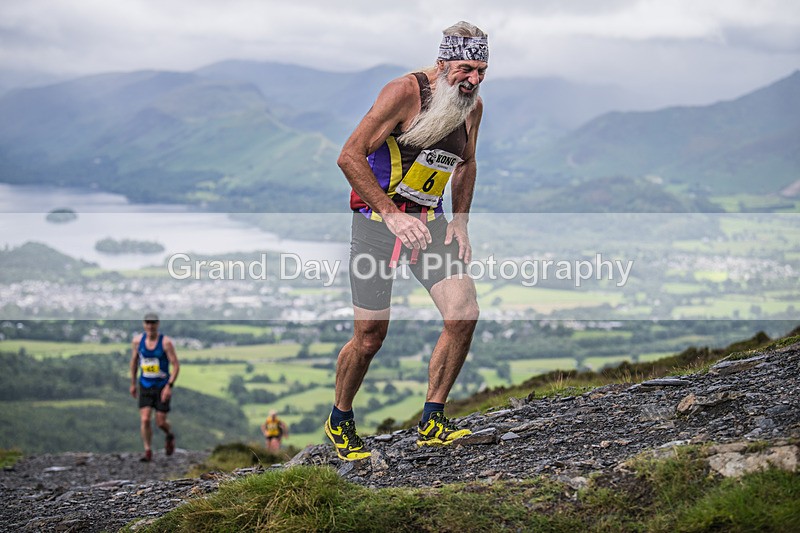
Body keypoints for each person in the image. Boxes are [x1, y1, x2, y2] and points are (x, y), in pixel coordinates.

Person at [325, 21, 487, 461]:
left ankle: (433, 419)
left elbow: (467, 162)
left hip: (430, 223)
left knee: (463, 313)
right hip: (377, 225)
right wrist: (392, 215)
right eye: (465, 69)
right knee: (370, 337)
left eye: (481, 71)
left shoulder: (472, 107)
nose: (473, 79)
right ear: (443, 62)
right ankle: (340, 418)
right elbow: (349, 156)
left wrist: (461, 221)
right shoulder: (403, 92)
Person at [129, 312, 179, 462]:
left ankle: (169, 435)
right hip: (145, 385)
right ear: (144, 324)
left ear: (158, 324)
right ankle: (148, 450)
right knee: (145, 419)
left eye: (153, 323)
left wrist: (169, 386)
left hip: (162, 387)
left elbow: (176, 365)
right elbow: (134, 362)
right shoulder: (137, 341)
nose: (150, 326)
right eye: (148, 323)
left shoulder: (166, 343)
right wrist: (133, 383)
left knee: (160, 422)